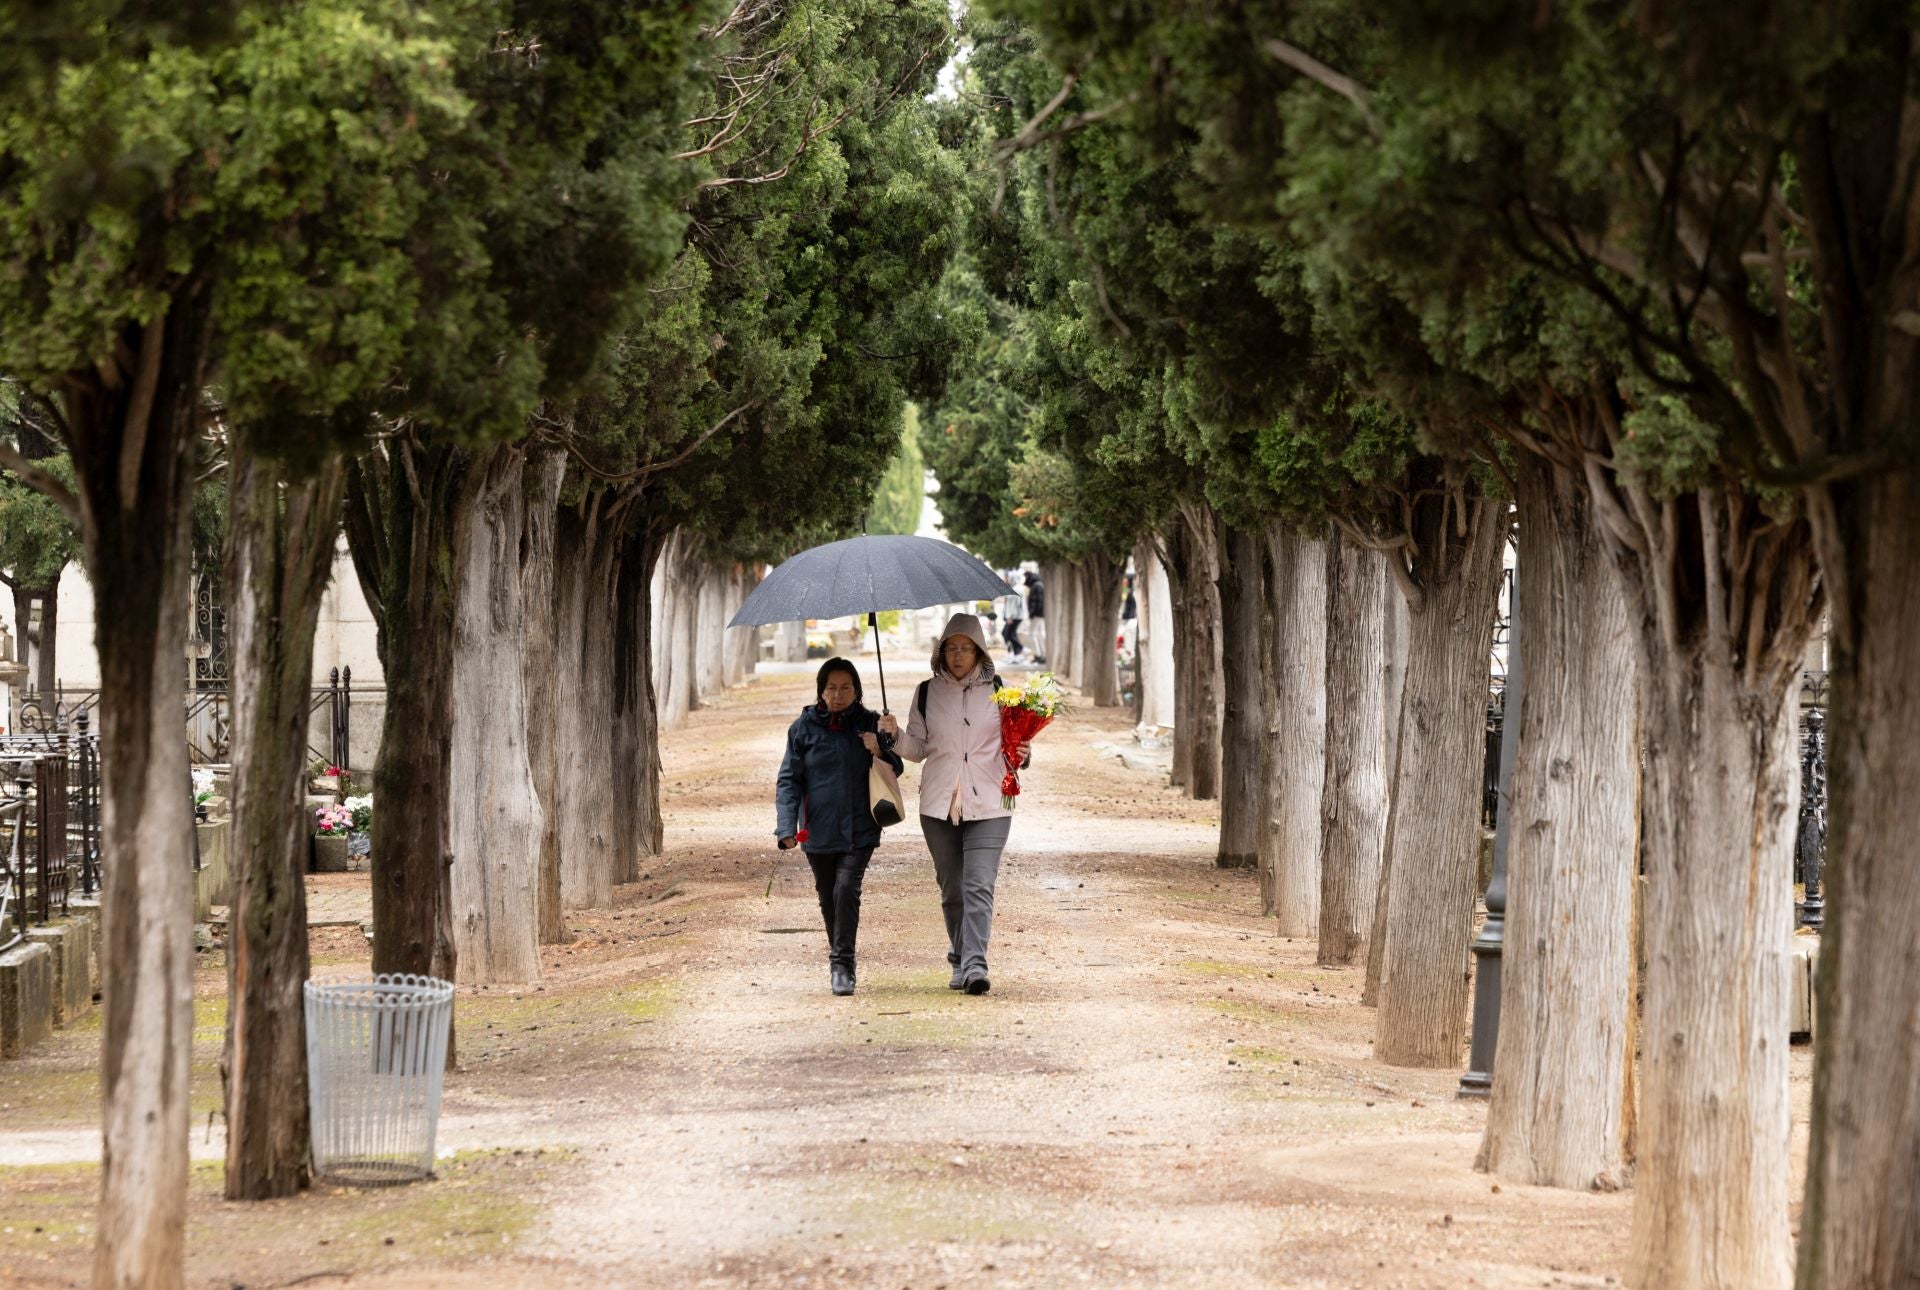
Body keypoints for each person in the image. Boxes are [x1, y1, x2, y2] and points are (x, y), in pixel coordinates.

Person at [880, 614, 1030, 995]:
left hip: (992, 801)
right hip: (939, 804)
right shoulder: (927, 692)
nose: (958, 655)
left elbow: (1015, 746)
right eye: (951, 648)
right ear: (941, 651)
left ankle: (976, 965)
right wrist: (894, 736)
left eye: (966, 648)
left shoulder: (1002, 691)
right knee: (953, 889)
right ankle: (959, 957)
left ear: (979, 650)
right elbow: (917, 749)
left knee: (979, 884)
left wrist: (1024, 752)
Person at [775, 657, 903, 996]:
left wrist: (881, 746)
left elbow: (896, 768)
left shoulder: (872, 723)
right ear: (820, 691)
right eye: (831, 687)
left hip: (861, 826)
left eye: (846, 687)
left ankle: (842, 965)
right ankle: (839, 954)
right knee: (828, 894)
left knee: (847, 888)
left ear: (857, 690)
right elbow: (789, 780)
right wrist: (786, 827)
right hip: (817, 828)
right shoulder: (802, 728)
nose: (838, 694)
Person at [999, 573, 1028, 661]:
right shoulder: (1014, 588)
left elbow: (1013, 605)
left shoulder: (1016, 589)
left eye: (1008, 578)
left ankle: (1019, 650)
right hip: (1015, 616)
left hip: (1014, 616)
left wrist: (1010, 617)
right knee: (1008, 634)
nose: (1006, 579)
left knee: (1009, 634)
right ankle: (1014, 652)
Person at [1023, 569, 1046, 665]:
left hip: (1037, 614)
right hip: (1039, 614)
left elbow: (1037, 602)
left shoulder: (1036, 586)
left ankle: (1038, 655)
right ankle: (1042, 655)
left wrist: (1032, 614)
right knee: (1039, 634)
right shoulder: (1038, 585)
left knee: (1032, 634)